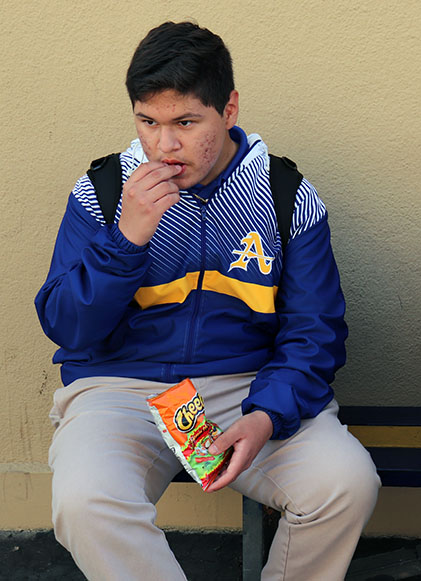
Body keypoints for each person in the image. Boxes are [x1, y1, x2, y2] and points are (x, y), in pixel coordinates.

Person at [35, 21, 379, 581]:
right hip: (120, 390)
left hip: (245, 385)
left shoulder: (285, 193)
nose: (164, 145)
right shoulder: (103, 191)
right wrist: (126, 241)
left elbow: (314, 330)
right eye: (148, 122)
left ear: (230, 109)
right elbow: (66, 327)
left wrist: (267, 413)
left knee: (346, 484)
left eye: (186, 123)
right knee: (84, 501)